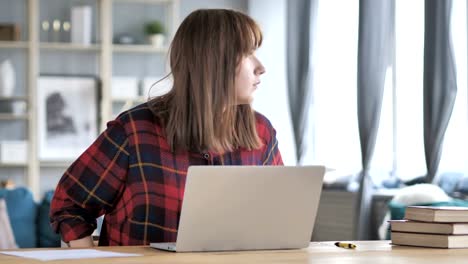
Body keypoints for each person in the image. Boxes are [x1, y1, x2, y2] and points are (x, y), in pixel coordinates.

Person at [50, 8, 283, 247]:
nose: (261, 67)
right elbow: (69, 206)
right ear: (212, 61)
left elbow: (278, 216)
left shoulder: (262, 132)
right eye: (247, 54)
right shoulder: (134, 131)